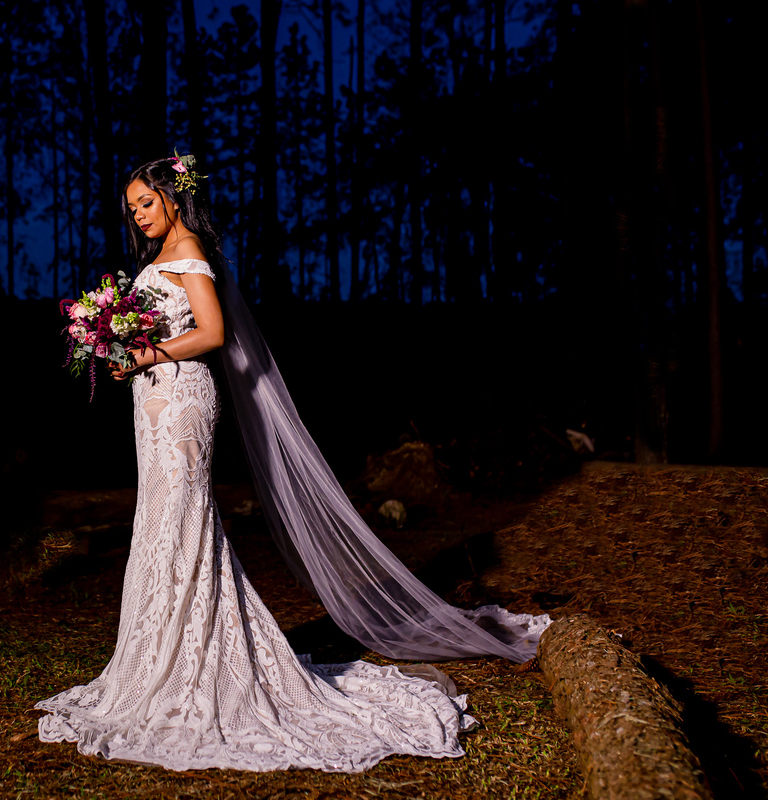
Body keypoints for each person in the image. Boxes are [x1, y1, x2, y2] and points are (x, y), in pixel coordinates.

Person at [35, 154, 548, 773]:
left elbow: (215, 332)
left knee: (182, 522)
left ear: (173, 197)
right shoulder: (156, 259)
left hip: (183, 403)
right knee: (161, 521)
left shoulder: (190, 248)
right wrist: (123, 349)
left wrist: (146, 355)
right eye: (132, 207)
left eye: (146, 202)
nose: (138, 215)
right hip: (154, 405)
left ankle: (192, 661)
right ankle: (161, 654)